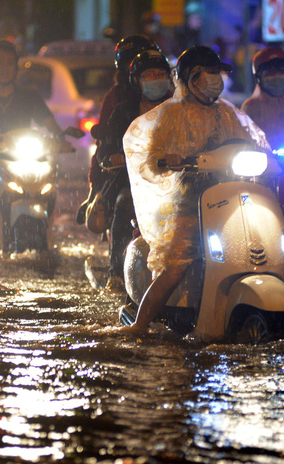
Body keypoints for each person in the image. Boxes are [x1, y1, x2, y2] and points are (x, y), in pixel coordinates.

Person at [121, 46, 269, 335]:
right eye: (209, 73)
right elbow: (150, 161)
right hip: (188, 203)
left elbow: (252, 143)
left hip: (230, 199)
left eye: (218, 73)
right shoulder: (170, 115)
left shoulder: (227, 113)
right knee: (175, 264)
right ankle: (139, 325)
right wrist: (169, 161)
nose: (216, 79)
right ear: (191, 78)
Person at [0, 38, 64, 243]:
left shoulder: (30, 96)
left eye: (9, 62)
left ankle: (49, 228)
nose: (5, 68)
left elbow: (50, 124)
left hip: (27, 156)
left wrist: (60, 139)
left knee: (50, 176)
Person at [95, 49, 173, 292]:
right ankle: (116, 272)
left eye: (161, 74)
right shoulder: (123, 111)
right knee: (124, 203)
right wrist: (112, 156)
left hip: (176, 181)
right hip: (132, 182)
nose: (156, 79)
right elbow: (105, 149)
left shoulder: (178, 110)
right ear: (136, 81)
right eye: (149, 74)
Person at [76, 35, 158, 224]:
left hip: (162, 172)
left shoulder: (169, 100)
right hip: (124, 173)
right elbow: (103, 141)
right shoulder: (118, 100)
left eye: (156, 72)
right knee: (123, 204)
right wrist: (95, 184)